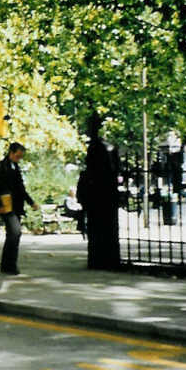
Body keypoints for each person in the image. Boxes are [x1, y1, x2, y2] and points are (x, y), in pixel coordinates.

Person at [77, 115, 121, 270]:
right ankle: (106, 260)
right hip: (105, 193)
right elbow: (116, 170)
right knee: (104, 230)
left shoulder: (97, 147)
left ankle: (98, 260)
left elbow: (95, 170)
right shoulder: (108, 147)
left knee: (98, 230)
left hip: (97, 193)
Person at [0, 142, 38, 275]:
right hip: (5, 205)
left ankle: (8, 264)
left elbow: (21, 188)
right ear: (11, 153)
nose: (19, 159)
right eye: (17, 156)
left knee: (13, 234)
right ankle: (9, 265)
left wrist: (31, 202)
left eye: (21, 157)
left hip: (16, 205)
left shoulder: (16, 167)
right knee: (15, 232)